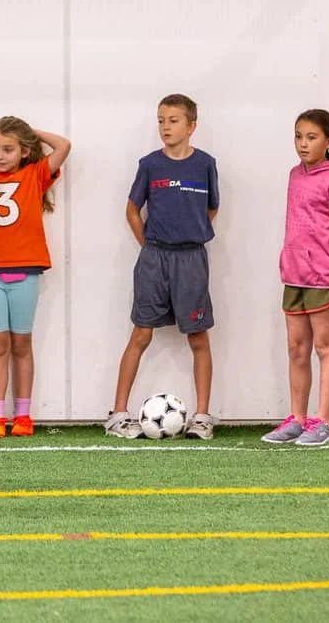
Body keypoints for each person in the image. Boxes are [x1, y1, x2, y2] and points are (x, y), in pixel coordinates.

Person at [105, 94, 220, 440]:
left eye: (173, 120)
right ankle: (118, 414)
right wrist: (150, 245)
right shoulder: (150, 164)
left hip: (192, 259)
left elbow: (211, 209)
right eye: (160, 121)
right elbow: (131, 210)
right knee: (140, 333)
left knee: (198, 337)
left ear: (191, 126)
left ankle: (202, 417)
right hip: (154, 257)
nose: (165, 127)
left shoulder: (205, 164)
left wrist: (188, 234)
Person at [0, 117, 71, 439]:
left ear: (24, 151)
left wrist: (31, 133)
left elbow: (63, 146)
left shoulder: (35, 174)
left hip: (26, 271)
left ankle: (23, 414)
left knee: (22, 343)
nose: (0, 155)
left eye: (9, 149)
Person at [262, 109, 329, 446]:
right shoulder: (294, 175)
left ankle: (324, 421)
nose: (302, 144)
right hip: (295, 275)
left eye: (311, 137)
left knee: (325, 347)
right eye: (298, 136)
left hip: (325, 276)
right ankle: (298, 419)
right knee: (296, 349)